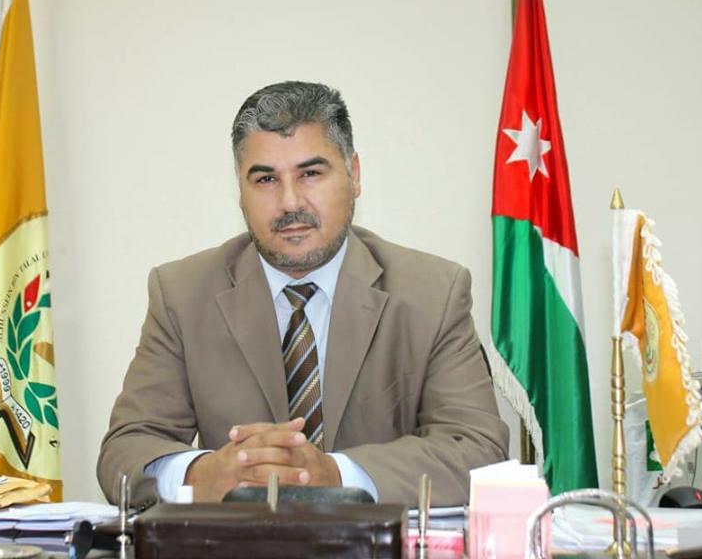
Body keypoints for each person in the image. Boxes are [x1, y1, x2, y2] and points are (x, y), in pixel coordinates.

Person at [97, 81, 508, 506]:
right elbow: (125, 451)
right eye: (265, 179)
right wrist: (200, 475)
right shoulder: (182, 295)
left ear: (354, 175)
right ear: (240, 190)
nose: (290, 202)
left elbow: (476, 448)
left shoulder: (433, 293)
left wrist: (335, 475)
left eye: (310, 174)